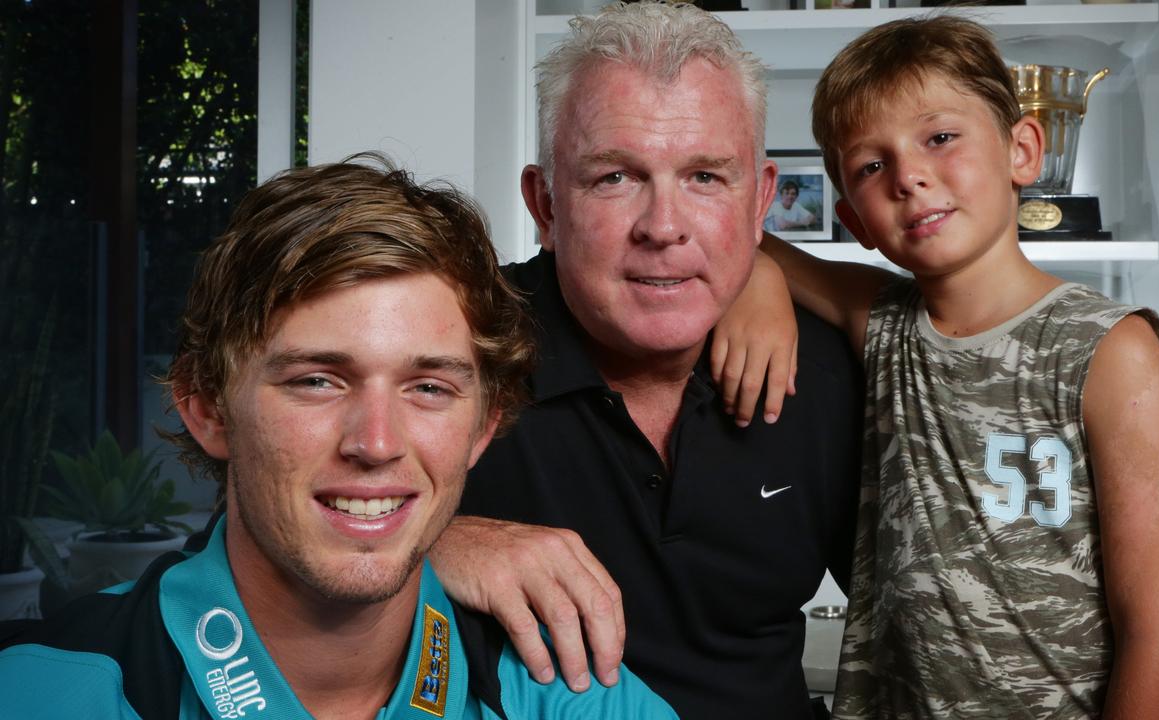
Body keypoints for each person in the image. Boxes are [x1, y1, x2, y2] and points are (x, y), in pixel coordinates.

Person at [0, 157, 677, 719]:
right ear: (206, 407)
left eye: (429, 388)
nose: (377, 443)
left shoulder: (568, 697)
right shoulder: (46, 694)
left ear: (483, 427)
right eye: (317, 381)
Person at [723, 14, 1159, 719]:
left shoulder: (1110, 352)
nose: (910, 176)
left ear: (1023, 151)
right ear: (855, 221)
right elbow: (747, 245)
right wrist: (759, 284)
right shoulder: (881, 322)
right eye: (871, 166)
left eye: (940, 137)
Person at [426, 2, 860, 718]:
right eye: (614, 178)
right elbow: (272, 531)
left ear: (762, 202)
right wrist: (429, 546)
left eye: (706, 178)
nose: (663, 228)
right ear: (545, 203)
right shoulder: (451, 344)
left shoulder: (830, 374)